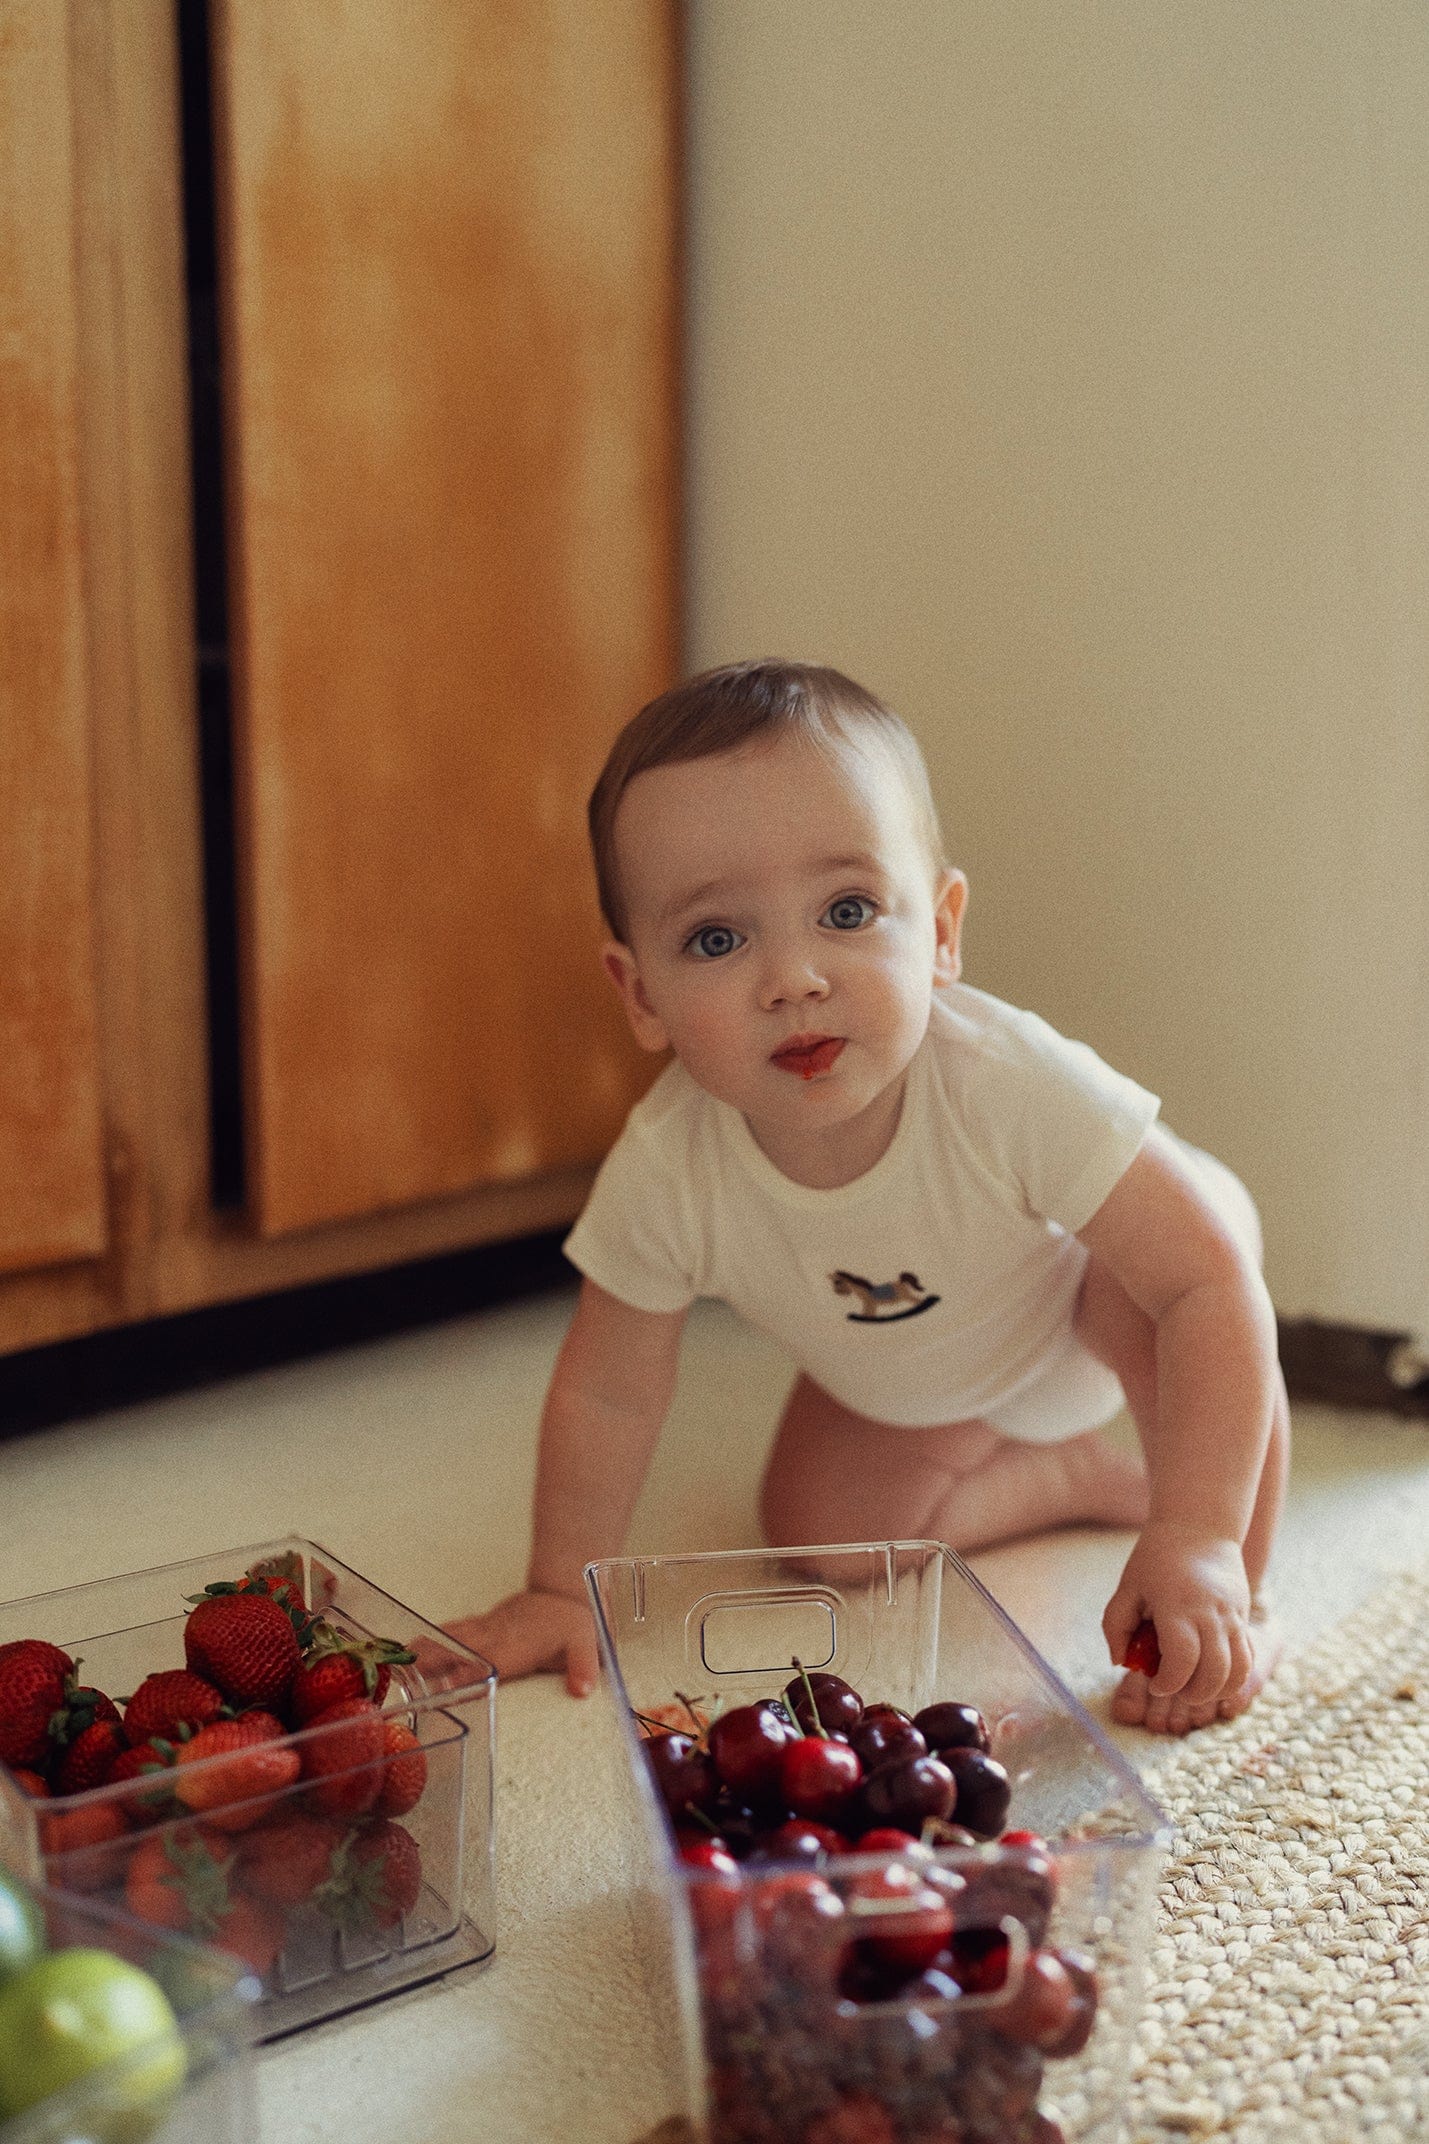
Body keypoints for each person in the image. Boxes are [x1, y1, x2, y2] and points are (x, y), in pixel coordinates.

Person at [447, 659, 1288, 1735]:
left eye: (846, 909)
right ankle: (1069, 1473)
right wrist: (563, 1583)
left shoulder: (1003, 1082)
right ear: (640, 991)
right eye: (717, 936)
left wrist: (1205, 1538)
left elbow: (1206, 1281)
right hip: (930, 1363)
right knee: (824, 1531)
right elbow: (609, 1389)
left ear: (939, 930)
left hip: (1110, 1299)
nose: (793, 976)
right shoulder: (670, 1163)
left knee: (1178, 1334)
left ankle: (1239, 1600)